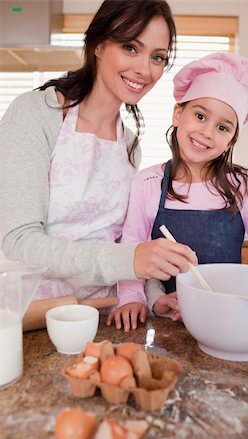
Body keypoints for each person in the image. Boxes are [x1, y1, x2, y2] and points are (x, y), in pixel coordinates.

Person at [0, 1, 197, 310]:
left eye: (157, 57)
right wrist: (131, 258)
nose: (144, 70)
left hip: (103, 318)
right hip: (31, 318)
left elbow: (124, 245)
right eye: (131, 47)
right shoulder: (35, 115)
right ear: (98, 44)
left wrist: (155, 296)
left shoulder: (129, 146)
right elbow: (19, 243)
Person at [110, 52, 248, 331]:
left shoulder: (242, 185)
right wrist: (134, 298)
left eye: (222, 127)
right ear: (177, 114)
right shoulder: (148, 183)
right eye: (200, 116)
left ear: (230, 140)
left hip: (227, 316)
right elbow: (133, 248)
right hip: (169, 318)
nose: (207, 132)